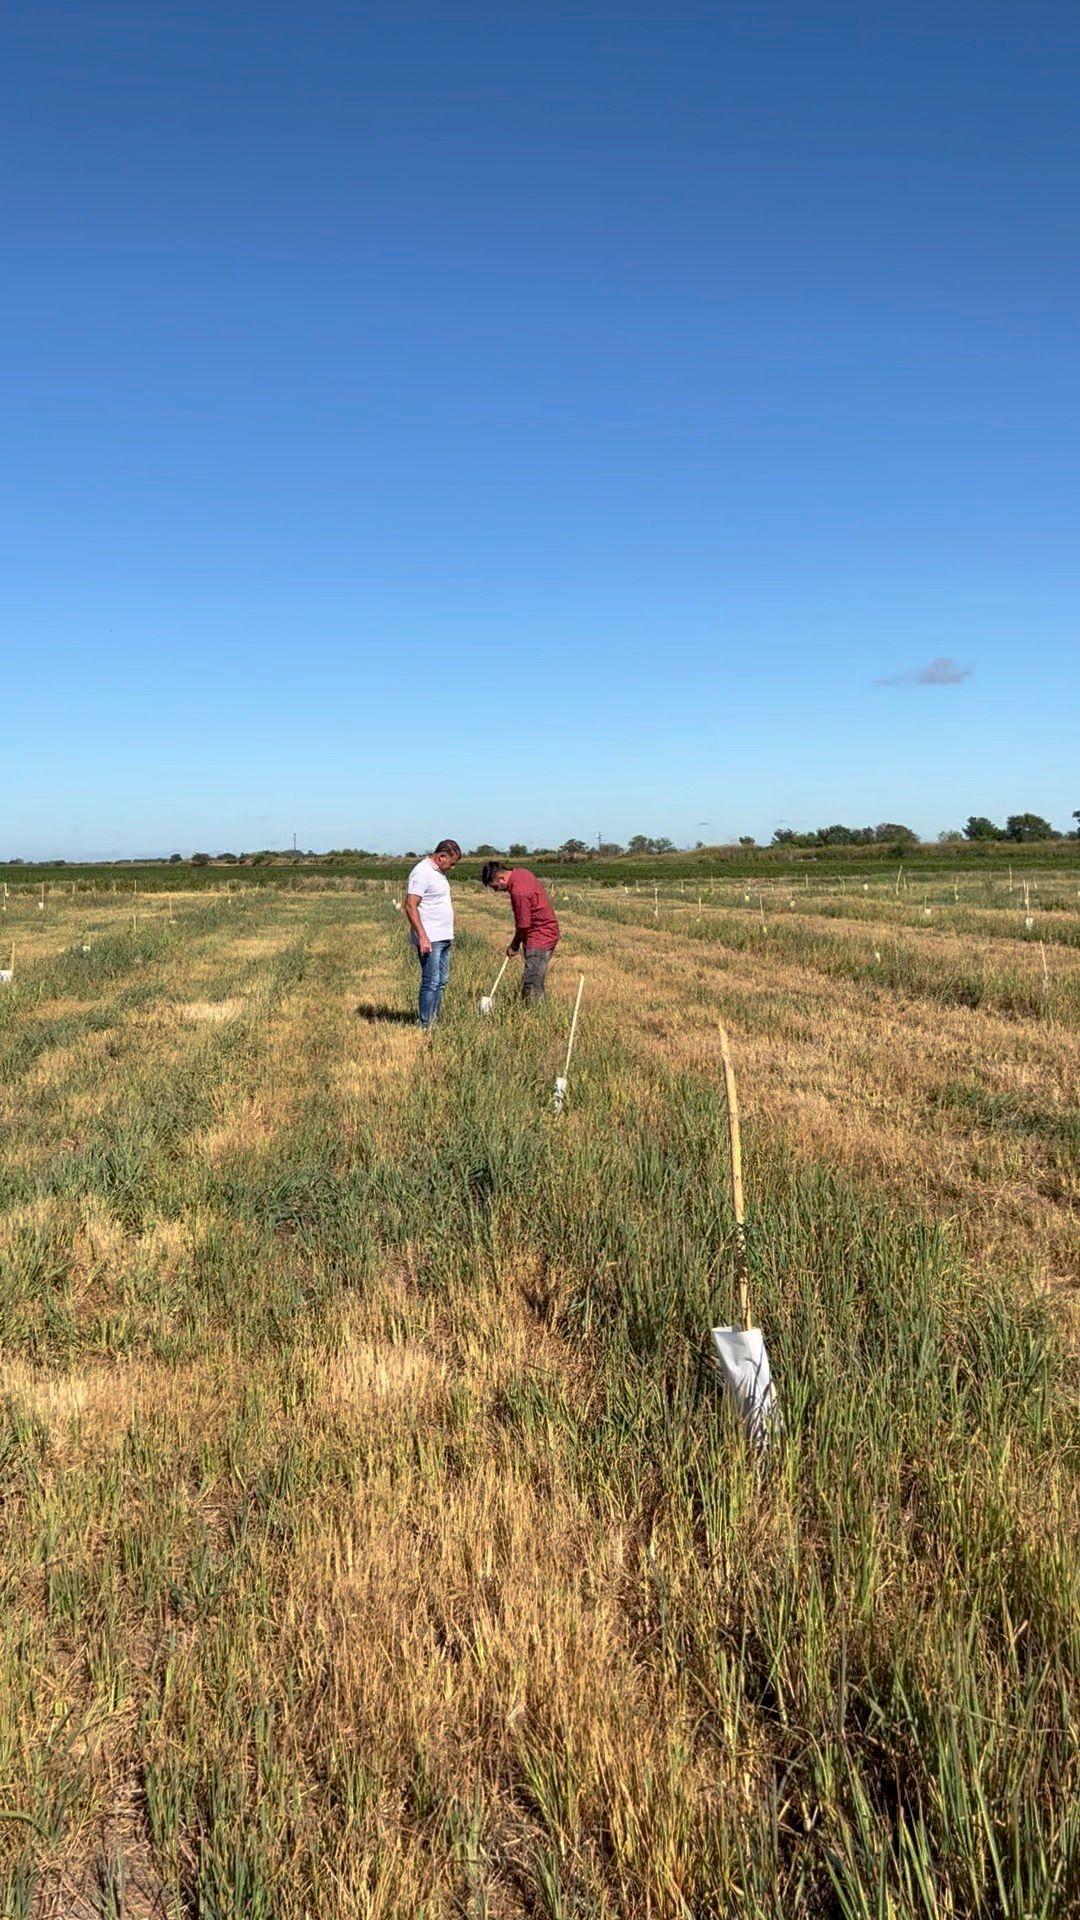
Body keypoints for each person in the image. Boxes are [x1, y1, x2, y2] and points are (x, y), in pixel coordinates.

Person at [480, 859, 560, 1002]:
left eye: (495, 887)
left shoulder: (519, 891)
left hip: (540, 936)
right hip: (546, 931)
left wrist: (514, 945)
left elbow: (523, 925)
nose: (496, 890)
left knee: (531, 982)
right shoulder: (522, 873)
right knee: (536, 977)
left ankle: (534, 1012)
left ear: (501, 878)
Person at [404, 839, 461, 1028]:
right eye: (452, 863)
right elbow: (410, 906)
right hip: (430, 938)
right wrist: (423, 936)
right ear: (441, 857)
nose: (452, 867)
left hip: (444, 937)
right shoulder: (422, 872)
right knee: (431, 981)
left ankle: (435, 1019)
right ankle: (426, 1024)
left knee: (442, 981)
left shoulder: (439, 872)